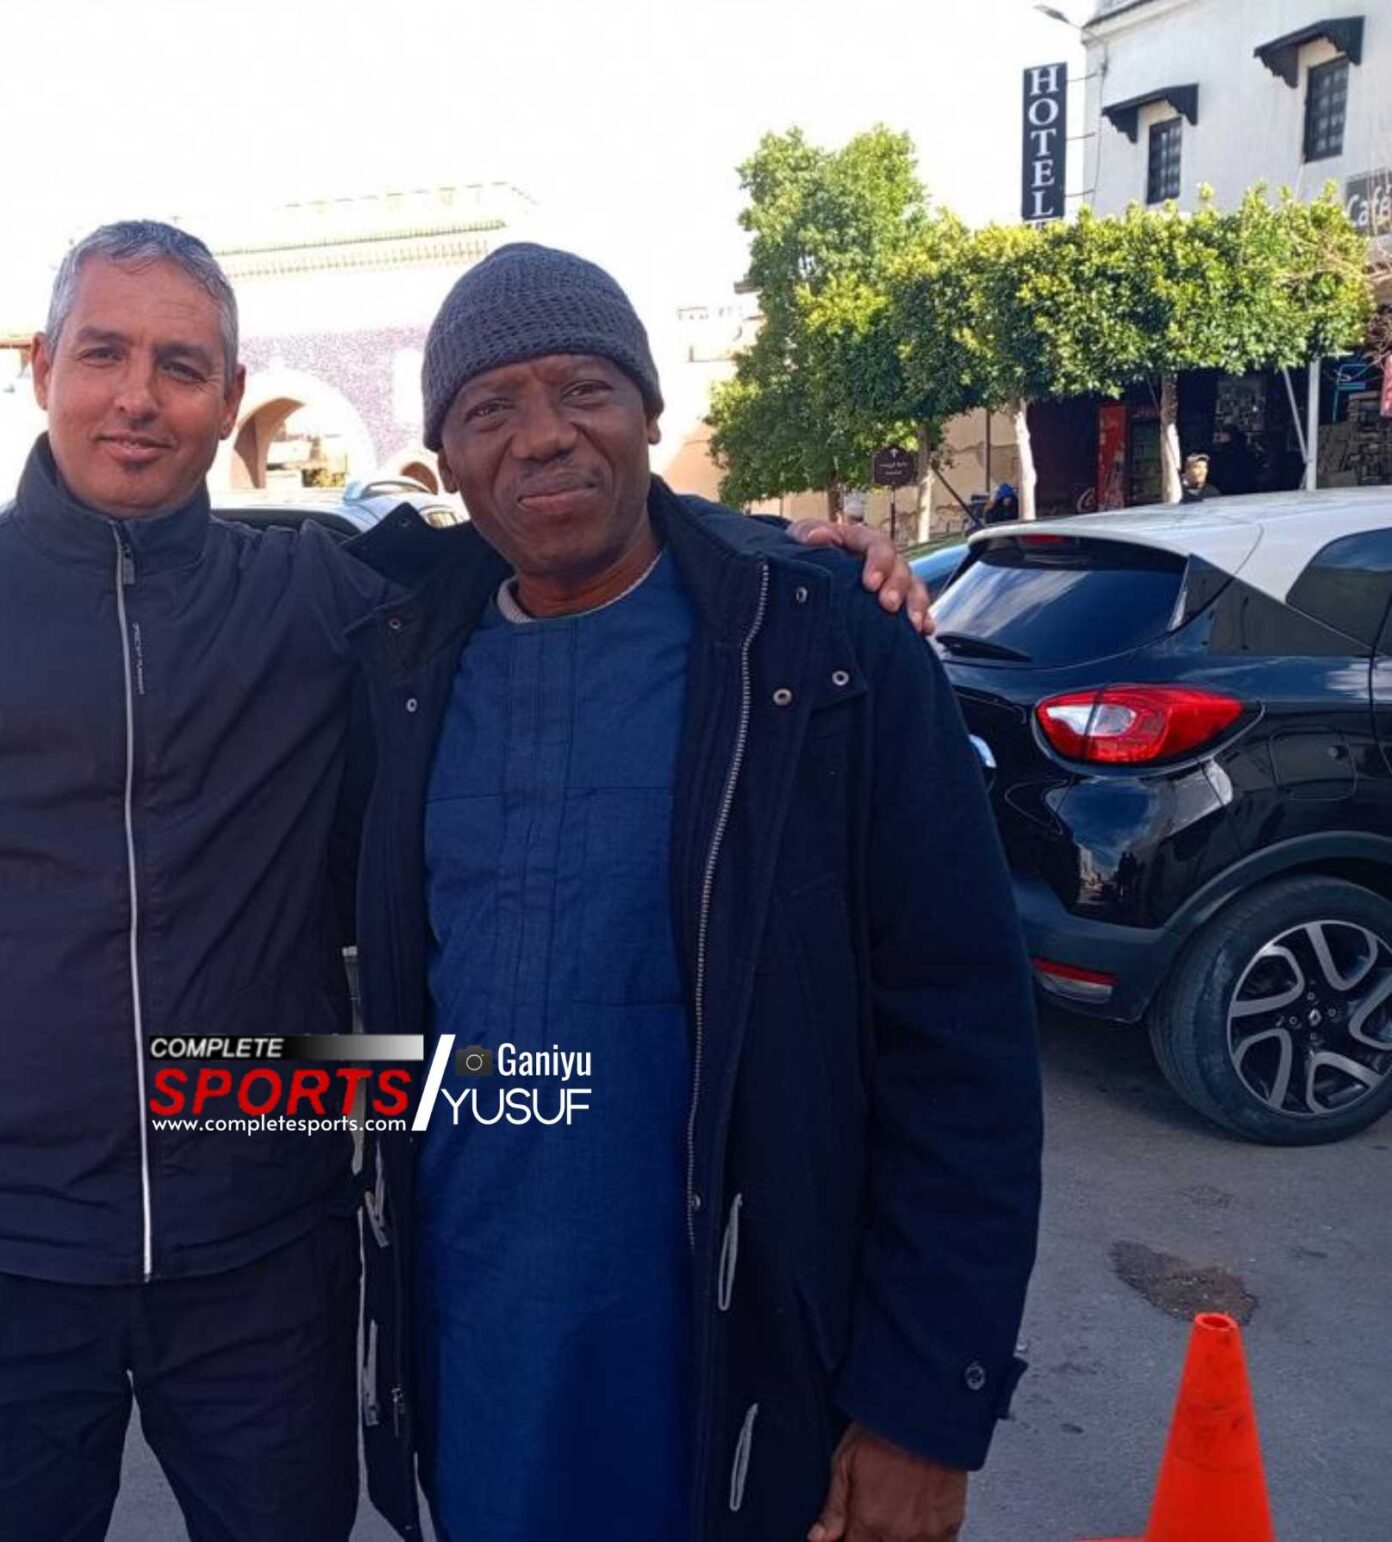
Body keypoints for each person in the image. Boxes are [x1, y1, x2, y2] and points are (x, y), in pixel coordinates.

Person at [0, 221, 929, 1542]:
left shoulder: (319, 591)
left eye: (180, 366)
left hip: (263, 1250)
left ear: (228, 399)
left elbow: (550, 515)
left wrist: (787, 554)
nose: (138, 397)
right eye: (104, 355)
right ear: (43, 368)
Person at [348, 245, 1043, 1542]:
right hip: (481, 1355)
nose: (542, 435)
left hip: (744, 1369)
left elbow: (961, 1043)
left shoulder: (818, 648)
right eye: (489, 408)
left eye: (584, 388)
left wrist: (923, 1402)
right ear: (444, 459)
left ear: (649, 412)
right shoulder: (396, 668)